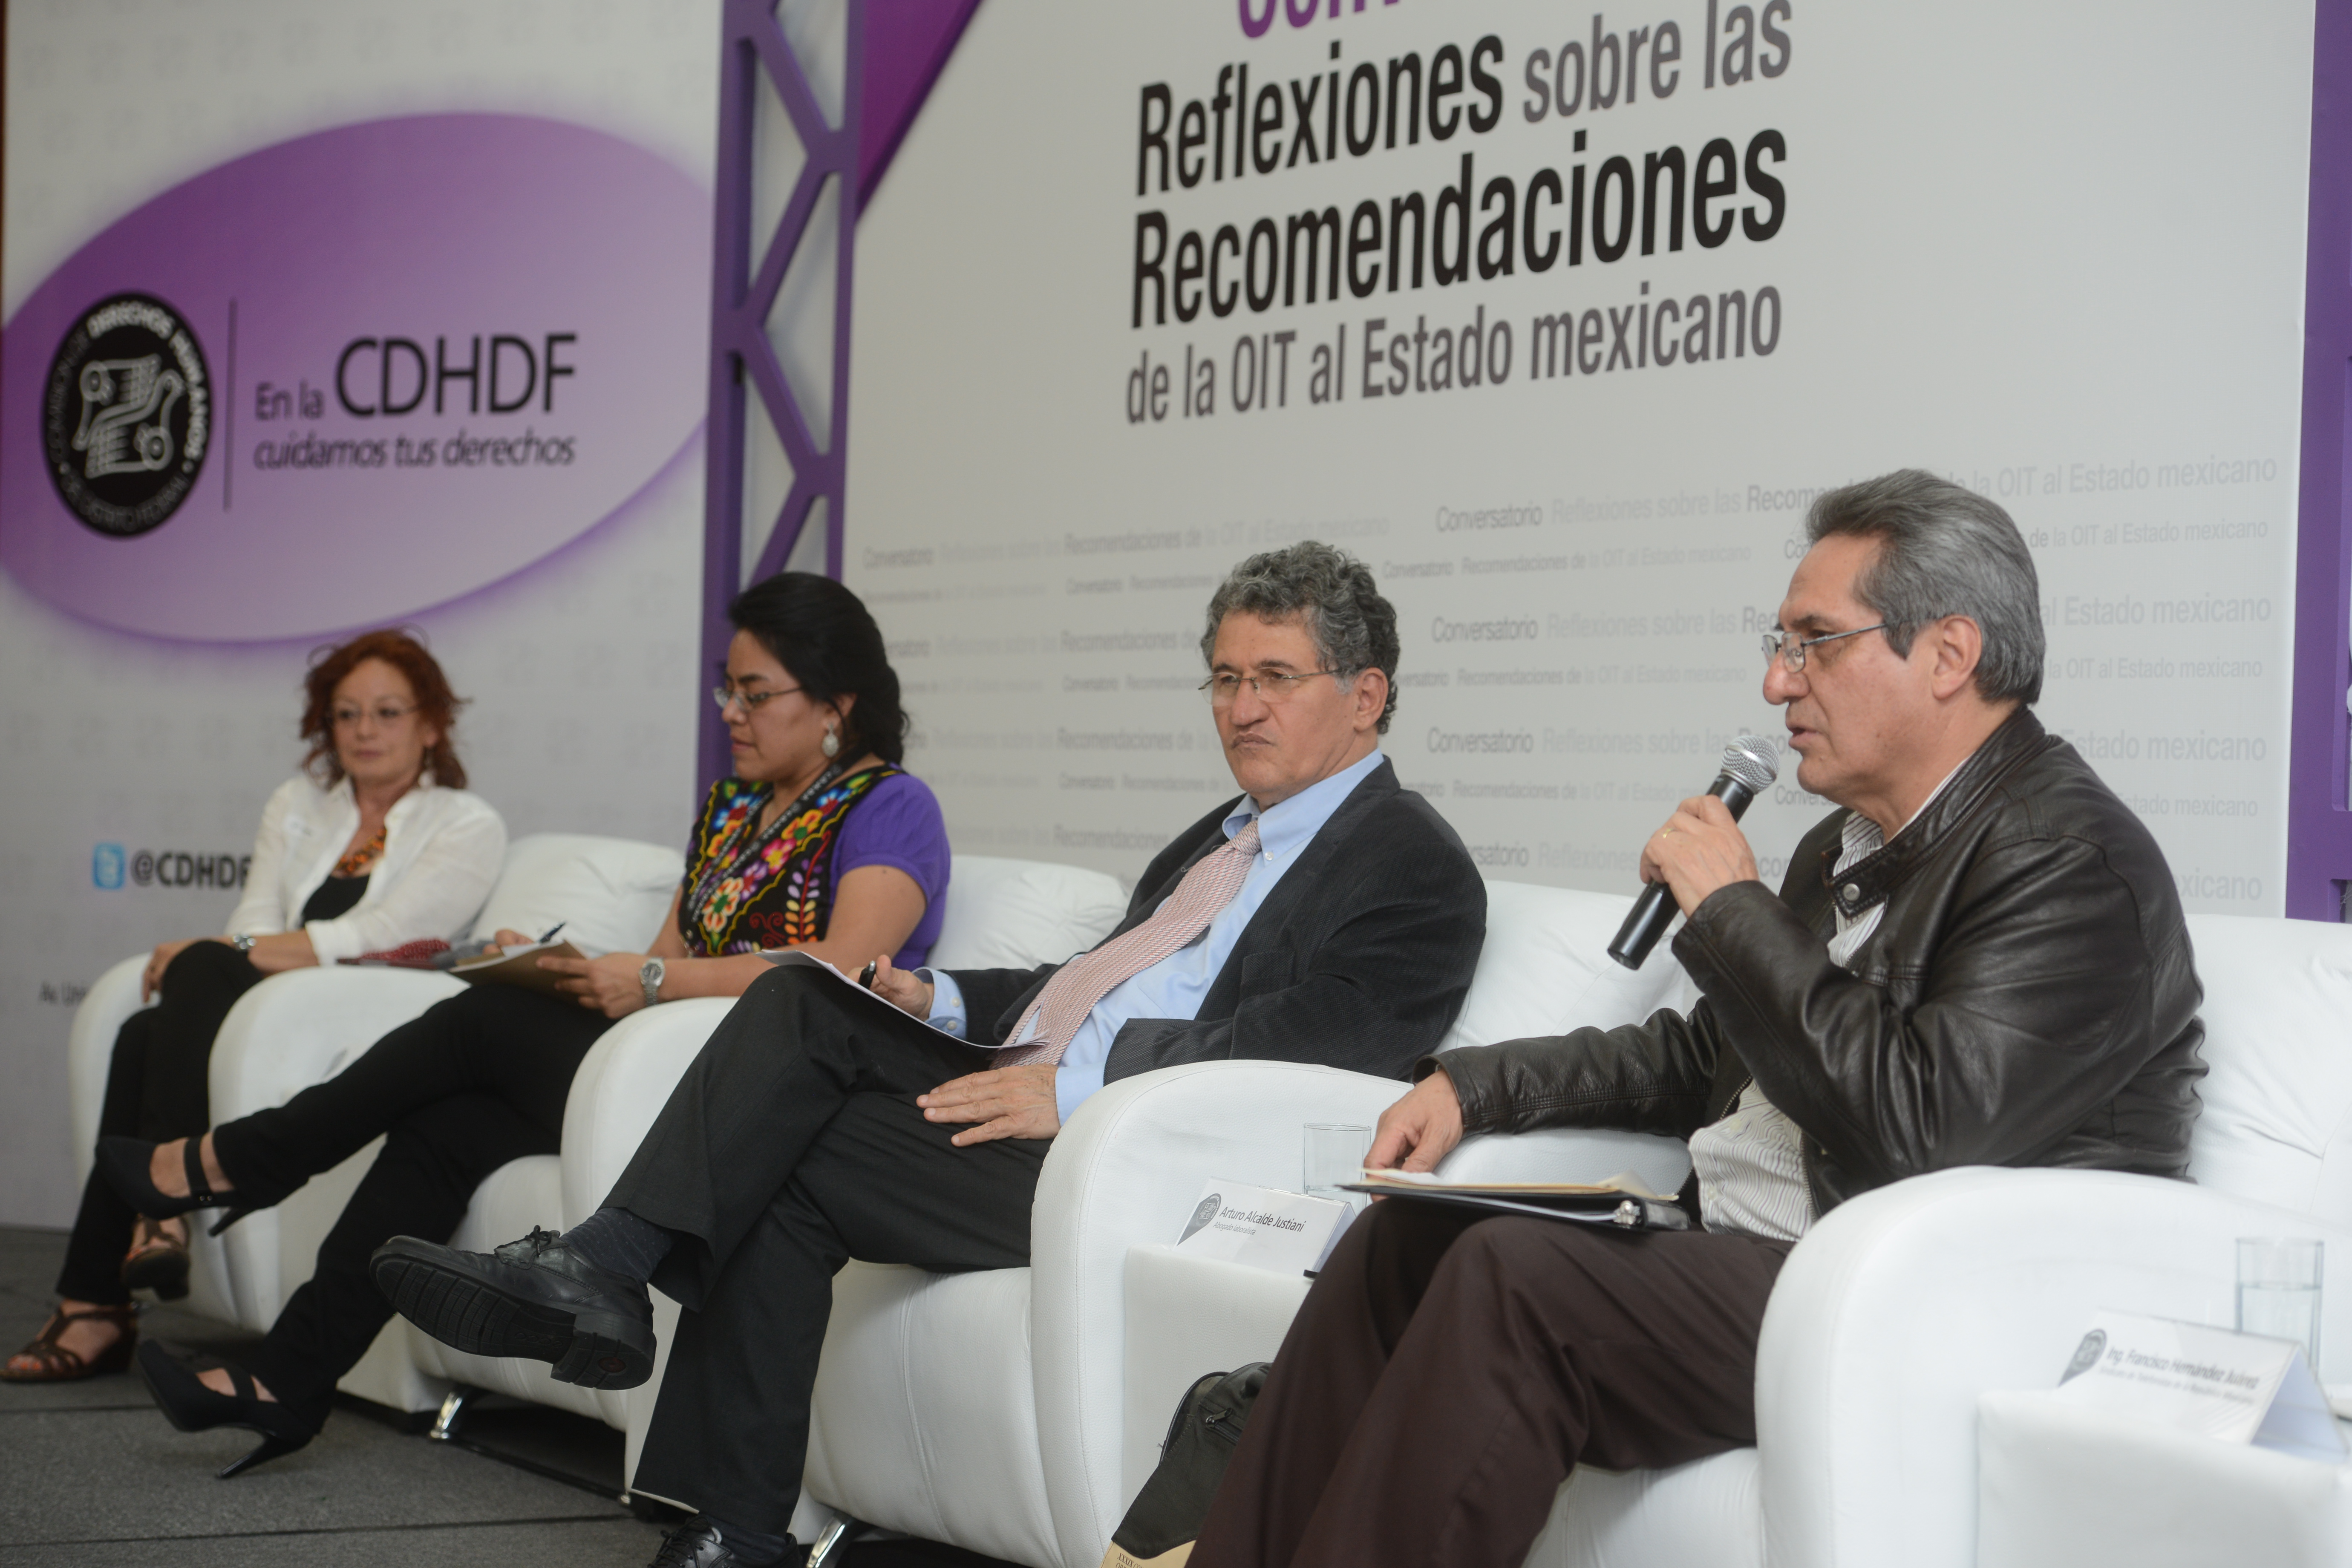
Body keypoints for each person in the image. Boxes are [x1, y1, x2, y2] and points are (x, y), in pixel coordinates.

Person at [377, 542, 1488, 1568]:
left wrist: (1079, 1088)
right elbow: (1091, 982)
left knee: (798, 1018)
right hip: (1034, 1114)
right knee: (794, 1129)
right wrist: (946, 996)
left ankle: (604, 1273)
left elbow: (1319, 1043)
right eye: (1224, 678)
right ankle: (729, 1533)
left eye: (1274, 678)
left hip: (1133, 1162)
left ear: (1366, 694)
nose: (1240, 708)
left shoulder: (1414, 865)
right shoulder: (1222, 836)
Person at [1185, 470, 2209, 1568]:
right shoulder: (1851, 844)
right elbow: (1707, 1059)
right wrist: (1474, 1086)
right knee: (1407, 1239)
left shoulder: (2068, 862)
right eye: (1781, 642)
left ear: (1949, 655)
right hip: (1763, 1259)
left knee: (1513, 1284)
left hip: (1919, 1302)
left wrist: (1731, 911)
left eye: (1815, 642)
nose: (1778, 682)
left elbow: (1927, 1130)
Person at [92, 572, 950, 1479]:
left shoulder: (892, 805)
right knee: (446, 1127)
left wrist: (652, 978)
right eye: (725, 688)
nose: (730, 712)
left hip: (757, 1097)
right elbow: (671, 954)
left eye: (755, 693)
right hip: (661, 1062)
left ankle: (248, 1156)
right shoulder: (730, 811)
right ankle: (285, 1380)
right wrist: (574, 966)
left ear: (836, 704)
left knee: (482, 1027)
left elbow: (845, 972)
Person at [5, 630, 504, 1384]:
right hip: (276, 1002)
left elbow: (388, 934)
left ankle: (104, 1289)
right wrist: (234, 950)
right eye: (346, 714)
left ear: (431, 724)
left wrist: (230, 952)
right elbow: (253, 918)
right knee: (149, 1027)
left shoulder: (466, 822)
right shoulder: (299, 803)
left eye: (388, 712)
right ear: (325, 727)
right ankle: (128, 1260)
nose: (365, 730)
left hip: (365, 1012)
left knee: (182, 991)